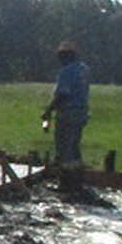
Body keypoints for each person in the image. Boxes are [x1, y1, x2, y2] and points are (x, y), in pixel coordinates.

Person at [42, 40, 90, 191]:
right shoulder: (83, 69)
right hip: (81, 112)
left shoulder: (66, 71)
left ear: (65, 57)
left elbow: (63, 94)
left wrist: (48, 111)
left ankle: (66, 183)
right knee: (74, 147)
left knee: (64, 149)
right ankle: (78, 181)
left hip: (68, 113)